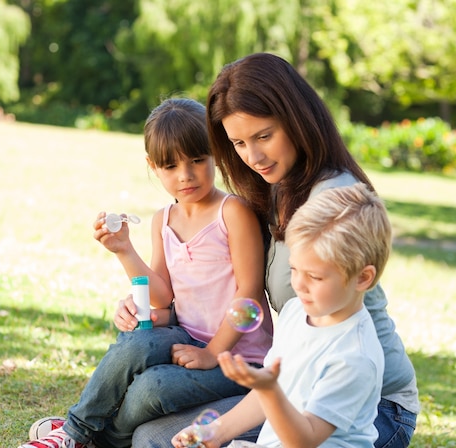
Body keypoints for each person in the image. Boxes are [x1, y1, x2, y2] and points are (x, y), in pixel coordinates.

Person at [134, 53, 419, 448]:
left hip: (368, 408)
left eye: (264, 136)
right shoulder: (277, 187)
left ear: (296, 119)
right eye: (238, 143)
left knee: (157, 440)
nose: (253, 157)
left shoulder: (333, 200)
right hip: (291, 380)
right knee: (151, 433)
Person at [17, 97, 273, 448]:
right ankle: (75, 431)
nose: (186, 175)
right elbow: (162, 294)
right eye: (170, 166)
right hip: (184, 335)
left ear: (216, 153)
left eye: (198, 160)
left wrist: (212, 353)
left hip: (237, 360)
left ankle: (89, 438)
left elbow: (250, 289)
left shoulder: (233, 212)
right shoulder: (163, 220)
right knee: (134, 342)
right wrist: (124, 250)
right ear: (153, 167)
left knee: (154, 387)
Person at [173, 182, 389, 447]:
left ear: (363, 278)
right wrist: (215, 432)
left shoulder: (354, 356)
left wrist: (269, 390)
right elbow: (266, 393)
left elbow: (305, 440)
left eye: (315, 276)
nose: (299, 284)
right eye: (294, 269)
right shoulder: (297, 311)